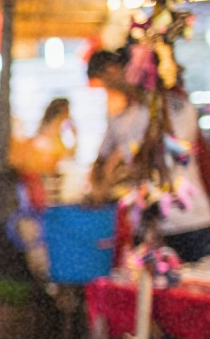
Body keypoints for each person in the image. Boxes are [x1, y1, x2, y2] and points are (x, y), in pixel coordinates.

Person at [88, 50, 210, 262]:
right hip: (145, 226)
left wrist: (121, 175)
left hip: (187, 221)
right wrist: (101, 184)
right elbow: (102, 158)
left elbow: (171, 158)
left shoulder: (176, 107)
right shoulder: (123, 116)